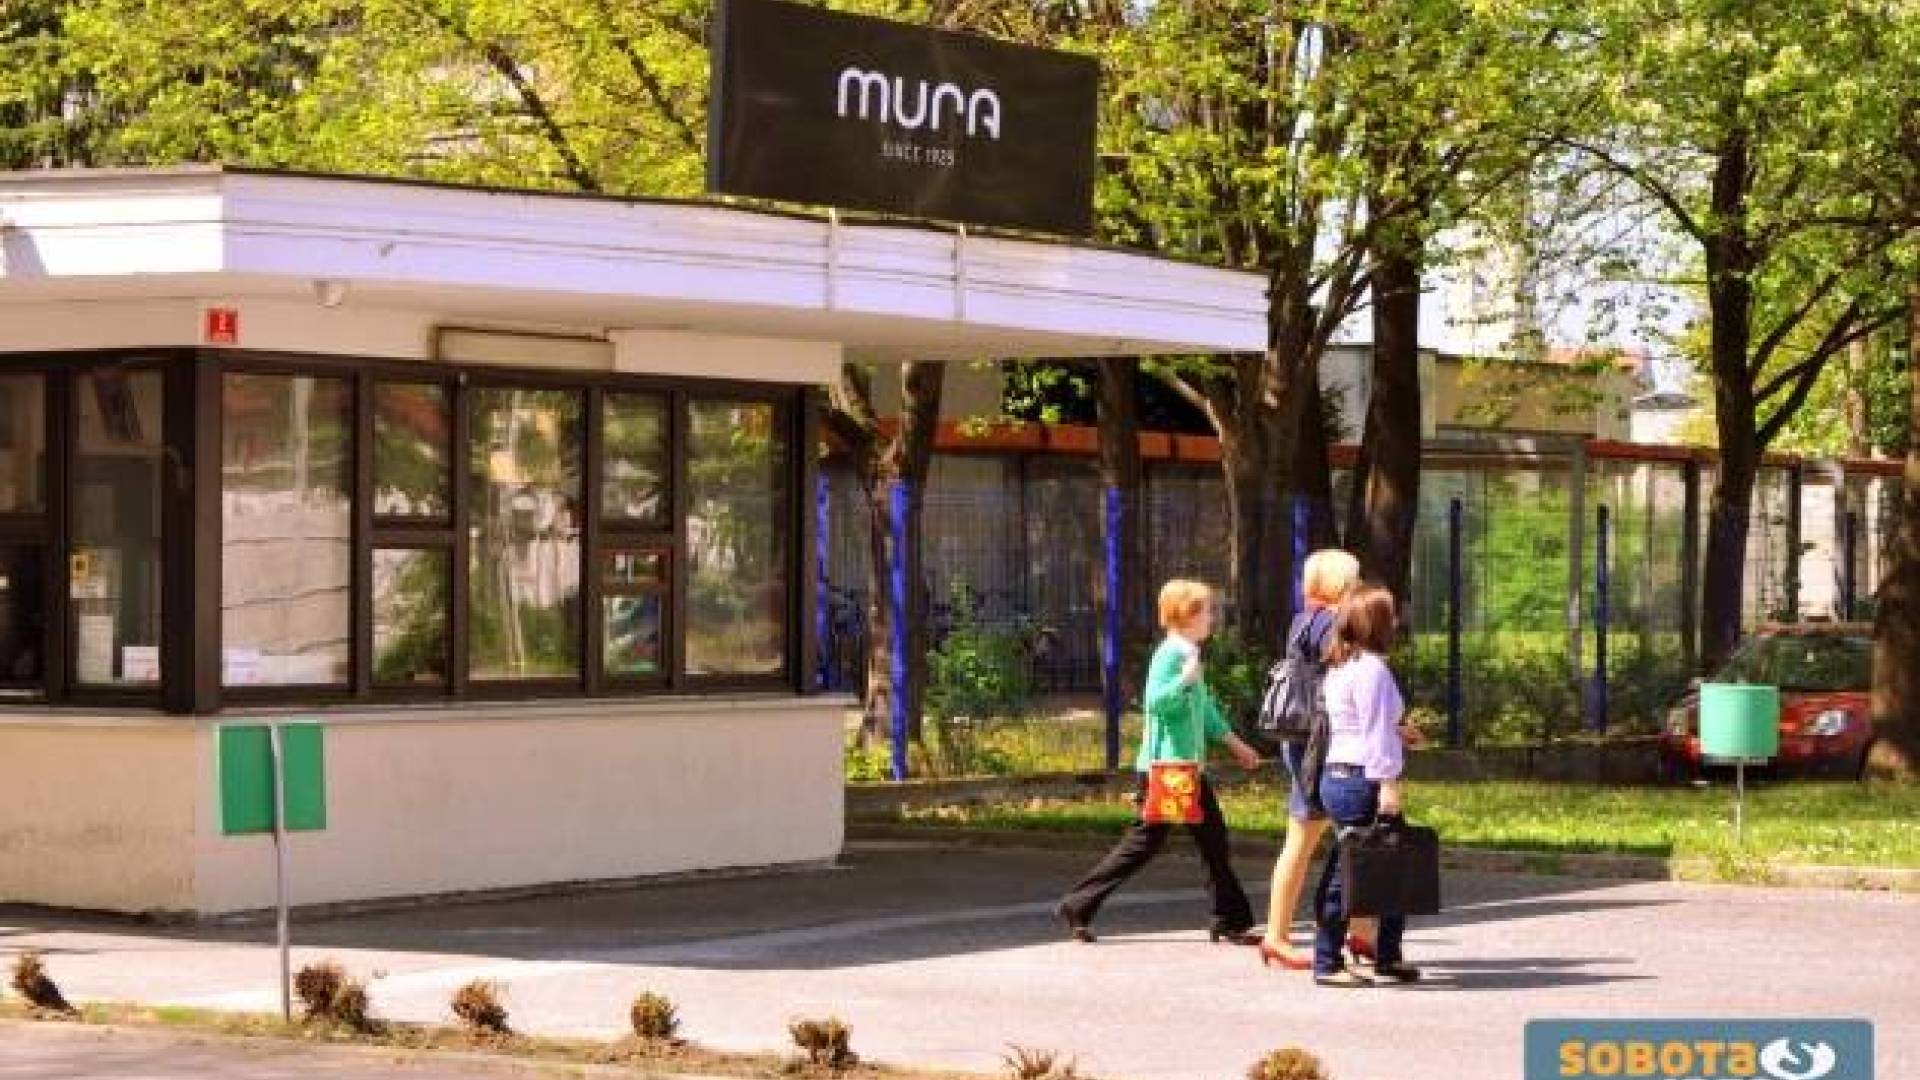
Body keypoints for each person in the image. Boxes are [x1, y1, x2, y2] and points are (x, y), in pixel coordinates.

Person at [1057, 578, 1265, 945]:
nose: (1212, 618)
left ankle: (1229, 919)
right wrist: (1184, 680)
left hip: (1186, 768)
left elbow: (1205, 709)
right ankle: (1077, 905)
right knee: (1148, 844)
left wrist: (1236, 744)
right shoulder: (1171, 655)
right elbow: (1155, 703)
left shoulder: (1189, 653)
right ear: (1187, 615)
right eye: (1207, 611)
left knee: (1213, 842)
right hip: (1169, 769)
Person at [1256, 548, 1372, 971]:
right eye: (1354, 579)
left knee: (1310, 841)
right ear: (1341, 583)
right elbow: (1350, 680)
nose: (1359, 586)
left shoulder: (1302, 620)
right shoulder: (1331, 624)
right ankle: (1349, 932)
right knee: (1352, 836)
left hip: (1300, 740)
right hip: (1323, 745)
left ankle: (1352, 930)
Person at [1312, 584, 1422, 987]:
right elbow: (1373, 732)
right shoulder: (1372, 669)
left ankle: (1386, 954)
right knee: (1356, 874)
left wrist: (1399, 729)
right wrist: (1388, 783)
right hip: (1363, 779)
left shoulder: (1342, 665)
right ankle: (1329, 962)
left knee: (1385, 866)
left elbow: (1358, 722)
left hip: (1339, 775)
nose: (1397, 620)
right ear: (1376, 623)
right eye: (1390, 614)